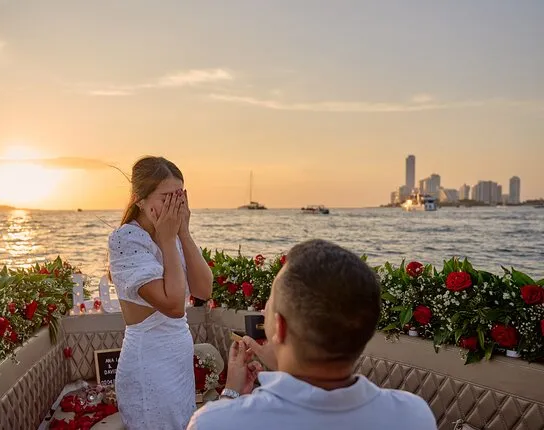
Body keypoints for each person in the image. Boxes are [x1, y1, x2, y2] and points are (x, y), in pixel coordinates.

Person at [188, 239, 437, 430]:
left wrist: (231, 394)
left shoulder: (217, 422)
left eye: (268, 306)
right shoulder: (413, 416)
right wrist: (284, 363)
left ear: (280, 327)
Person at [108, 156, 213, 430]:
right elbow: (174, 305)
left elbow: (204, 289)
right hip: (149, 363)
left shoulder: (173, 235)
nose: (174, 206)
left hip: (178, 358)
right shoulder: (125, 239)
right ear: (139, 200)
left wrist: (183, 233)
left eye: (179, 197)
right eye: (166, 198)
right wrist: (167, 239)